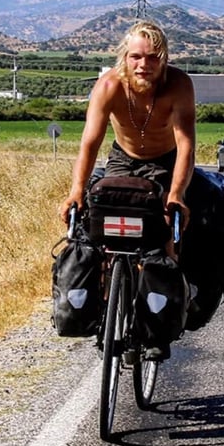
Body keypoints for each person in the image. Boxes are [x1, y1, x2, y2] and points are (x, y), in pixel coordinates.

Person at [59, 21, 197, 361]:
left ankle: (157, 322)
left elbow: (186, 145)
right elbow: (89, 144)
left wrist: (176, 193)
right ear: (125, 56)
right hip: (123, 158)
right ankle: (107, 302)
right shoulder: (108, 86)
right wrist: (76, 190)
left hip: (165, 162)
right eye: (135, 56)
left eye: (152, 57)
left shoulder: (178, 85)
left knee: (164, 232)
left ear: (163, 59)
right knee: (97, 220)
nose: (143, 65)